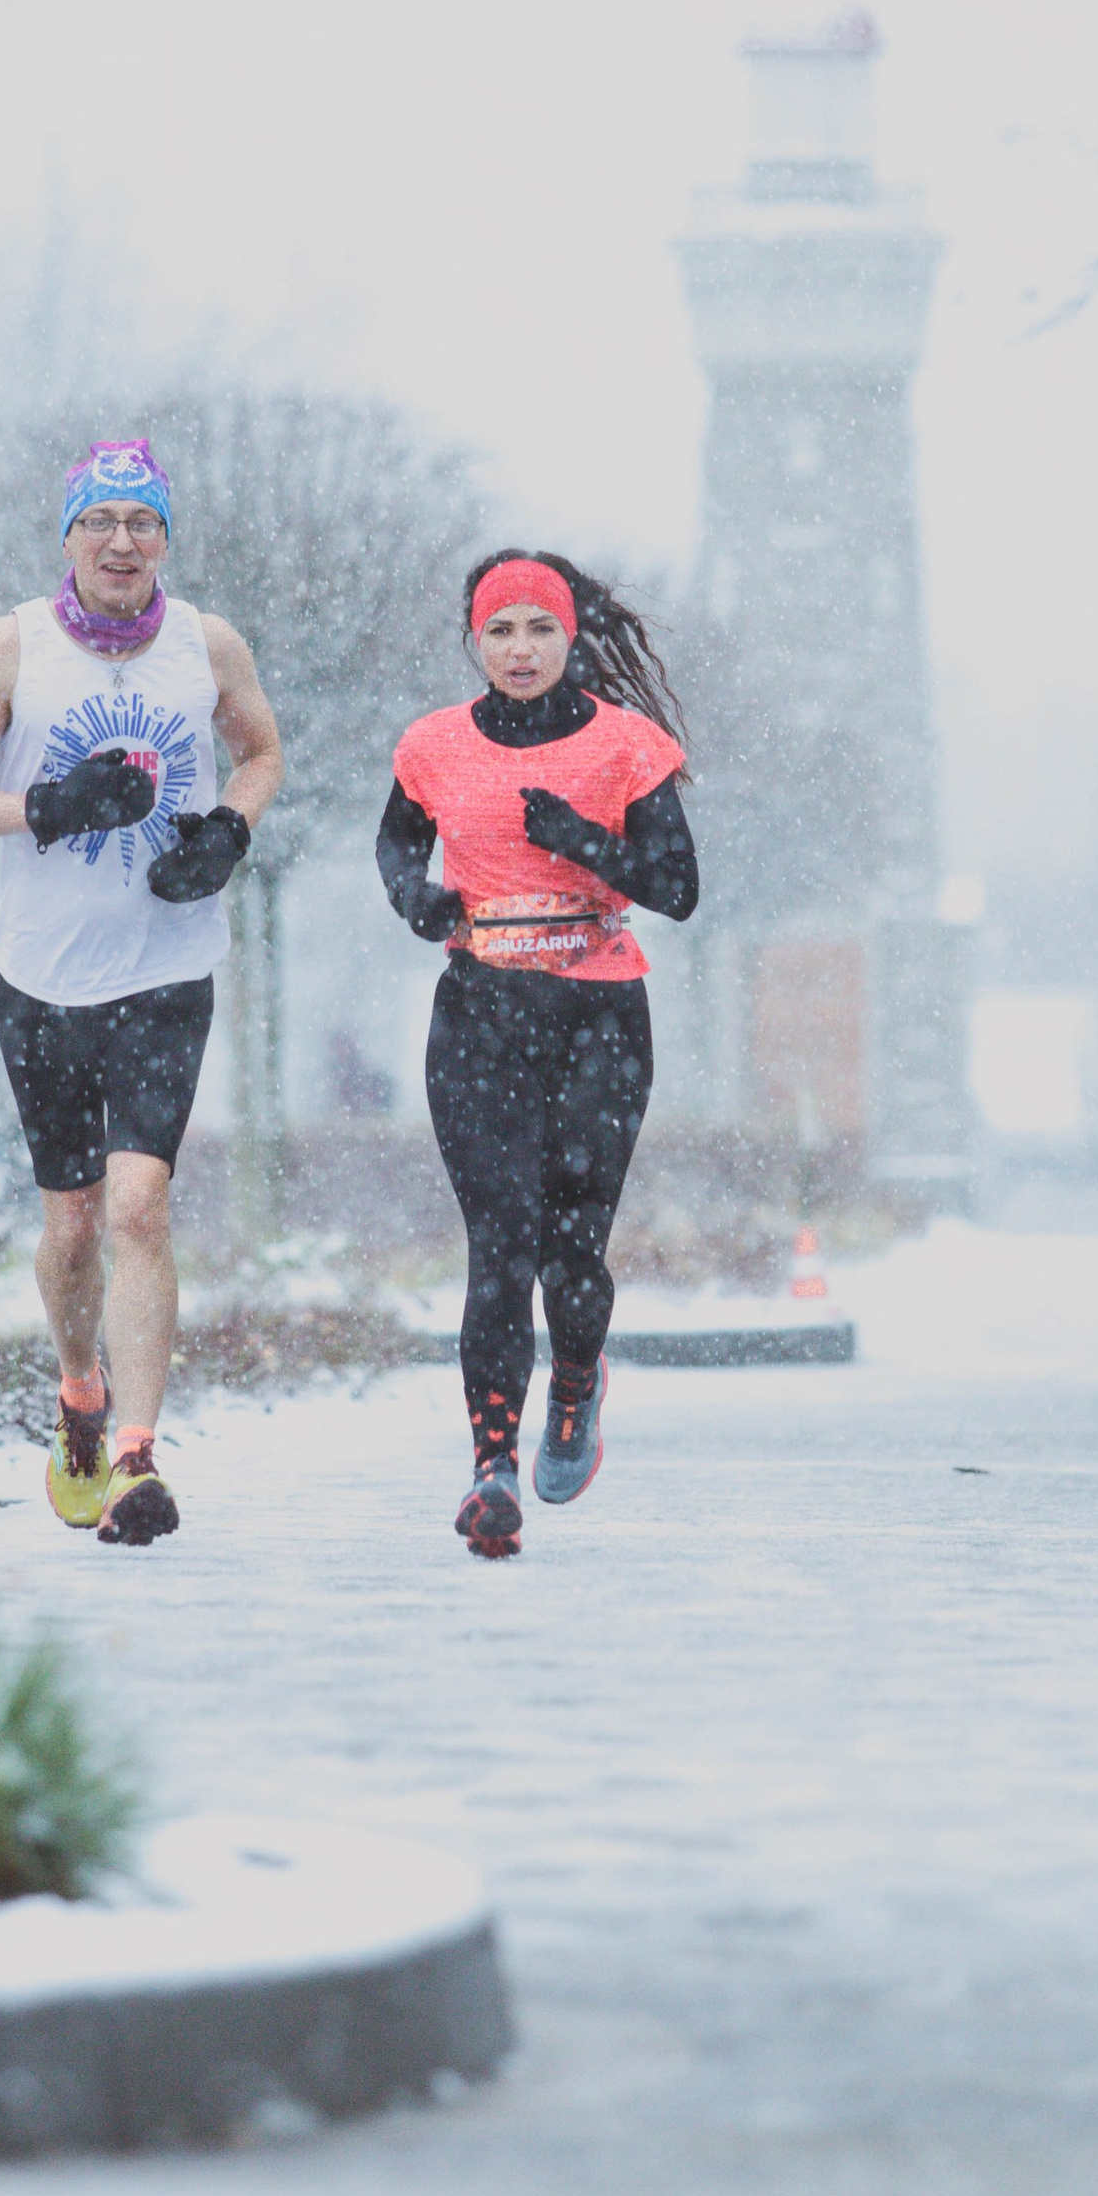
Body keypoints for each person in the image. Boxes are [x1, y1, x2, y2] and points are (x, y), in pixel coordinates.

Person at [0, 438, 282, 1544]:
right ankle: (80, 1388)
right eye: (101, 522)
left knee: (139, 1207)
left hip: (167, 968)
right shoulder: (12, 646)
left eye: (142, 522)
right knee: (72, 1227)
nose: (122, 542)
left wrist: (227, 834)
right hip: (43, 978)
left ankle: (135, 1456)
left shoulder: (206, 644)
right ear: (70, 535)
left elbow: (262, 754)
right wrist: (47, 806)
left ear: (165, 538)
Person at [377, 550, 697, 1558]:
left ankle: (575, 1384)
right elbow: (396, 844)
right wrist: (414, 896)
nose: (520, 649)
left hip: (598, 1015)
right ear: (475, 641)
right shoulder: (432, 745)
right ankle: (491, 1470)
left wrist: (581, 841)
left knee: (571, 1253)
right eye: (501, 630)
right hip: (480, 1012)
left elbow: (678, 888)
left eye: (540, 629)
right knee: (500, 1248)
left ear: (570, 637)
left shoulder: (625, 745)